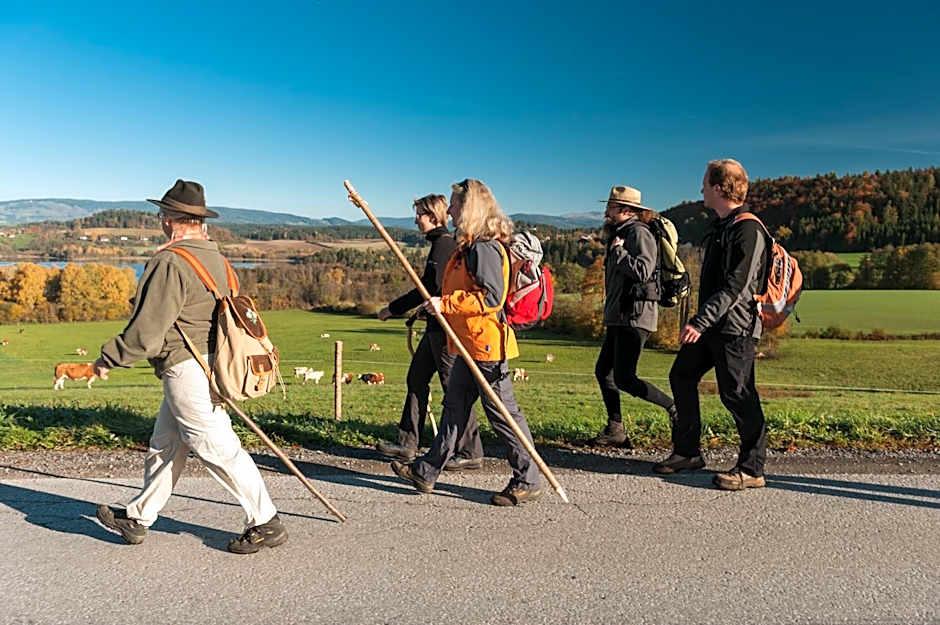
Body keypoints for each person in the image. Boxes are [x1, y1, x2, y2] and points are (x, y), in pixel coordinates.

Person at [92, 179, 286, 553]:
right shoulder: (218, 258)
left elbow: (148, 329)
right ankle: (138, 517)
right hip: (216, 363)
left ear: (168, 218)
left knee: (216, 446)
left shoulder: (170, 261)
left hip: (188, 367)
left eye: (161, 213)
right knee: (167, 443)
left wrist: (110, 357)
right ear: (198, 220)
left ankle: (265, 521)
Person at [389, 179, 542, 506]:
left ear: (470, 208)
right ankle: (427, 471)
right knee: (454, 409)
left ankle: (528, 478)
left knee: (502, 414)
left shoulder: (484, 247)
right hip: (466, 344)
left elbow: (491, 298)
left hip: (486, 346)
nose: (451, 210)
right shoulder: (469, 245)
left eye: (456, 205)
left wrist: (447, 303)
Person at [655, 159, 769, 490]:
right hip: (713, 325)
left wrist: (699, 322)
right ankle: (688, 452)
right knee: (682, 374)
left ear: (719, 188)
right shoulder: (725, 226)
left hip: (735, 328)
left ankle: (752, 469)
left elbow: (737, 286)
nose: (701, 189)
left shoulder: (749, 230)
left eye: (705, 183)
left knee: (738, 394)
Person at [374, 194, 484, 470]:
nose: (415, 219)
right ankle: (407, 443)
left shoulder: (444, 246)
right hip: (434, 327)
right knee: (416, 379)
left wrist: (393, 308)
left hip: (446, 330)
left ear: (433, 217)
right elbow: (432, 289)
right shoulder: (440, 245)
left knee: (454, 388)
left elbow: (429, 288)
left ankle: (470, 451)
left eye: (420, 215)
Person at [590, 186, 677, 447]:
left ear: (626, 210)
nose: (606, 211)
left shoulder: (639, 233)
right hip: (621, 315)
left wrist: (619, 252)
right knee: (604, 372)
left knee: (625, 378)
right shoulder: (623, 232)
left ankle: (674, 408)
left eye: (611, 207)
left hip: (635, 315)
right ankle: (615, 429)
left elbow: (643, 270)